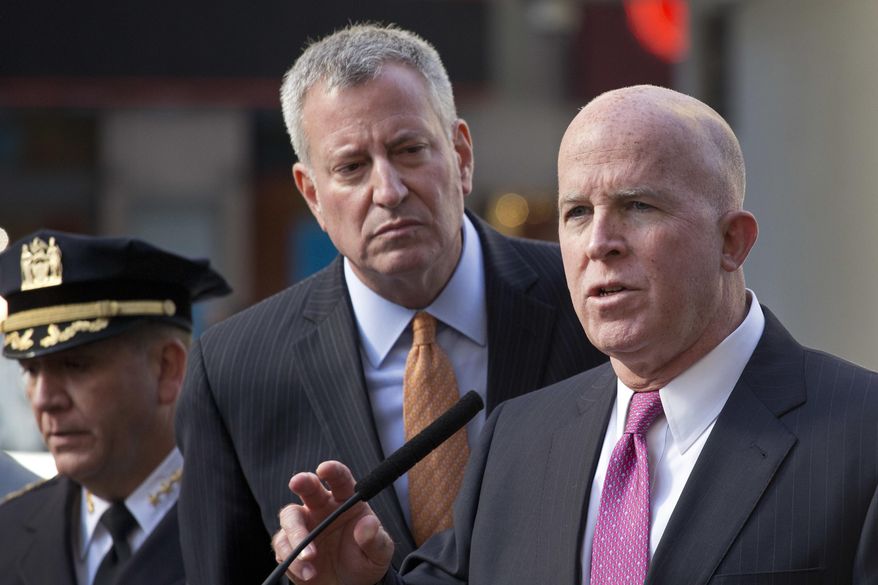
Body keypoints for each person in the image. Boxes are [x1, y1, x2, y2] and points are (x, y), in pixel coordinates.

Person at [272, 85, 878, 585]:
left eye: (638, 206)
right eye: (577, 213)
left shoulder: (860, 437)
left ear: (732, 242)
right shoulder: (517, 439)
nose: (599, 243)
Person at [174, 23, 607, 584]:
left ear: (461, 155)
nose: (388, 190)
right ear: (312, 195)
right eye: (351, 168)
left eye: (409, 150)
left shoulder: (588, 302)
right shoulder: (233, 372)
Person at [0, 229, 230, 585]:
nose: (45, 399)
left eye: (76, 366)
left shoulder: (252, 533)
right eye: (31, 370)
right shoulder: (10, 531)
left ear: (167, 369)